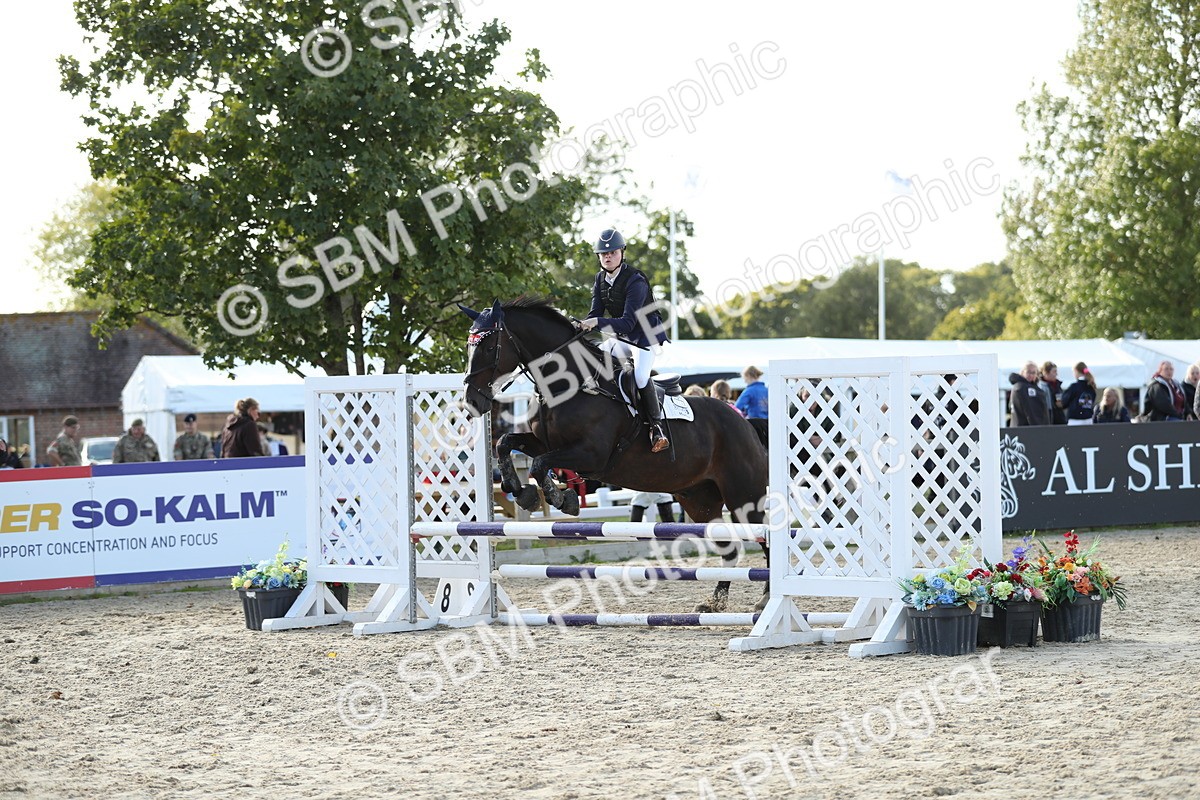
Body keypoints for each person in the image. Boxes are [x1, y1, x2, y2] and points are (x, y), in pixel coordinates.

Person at [579, 228, 670, 453]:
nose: (608, 256)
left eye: (612, 252)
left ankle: (656, 428)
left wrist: (597, 322)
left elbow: (628, 323)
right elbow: (595, 313)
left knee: (640, 376)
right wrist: (579, 325)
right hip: (625, 337)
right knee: (596, 359)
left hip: (645, 337)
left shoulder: (635, 280)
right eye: (603, 254)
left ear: (622, 253)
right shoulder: (600, 279)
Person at [1009, 361, 1049, 426]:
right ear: (1022, 372)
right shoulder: (1024, 388)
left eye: (1033, 373)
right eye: (1028, 372)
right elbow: (1032, 413)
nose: (1031, 375)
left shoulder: (1016, 386)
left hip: (1017, 428)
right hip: (1028, 430)